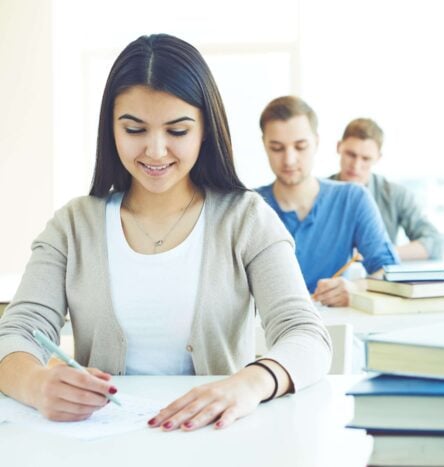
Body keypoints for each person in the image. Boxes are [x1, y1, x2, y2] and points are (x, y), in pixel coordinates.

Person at [0, 34, 330, 431]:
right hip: (104, 446)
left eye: (177, 131)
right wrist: (36, 383)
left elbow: (307, 334)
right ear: (111, 129)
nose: (156, 151)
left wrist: (251, 383)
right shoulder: (73, 225)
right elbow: (15, 333)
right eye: (135, 129)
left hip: (217, 440)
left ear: (206, 130)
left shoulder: (246, 218)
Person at [256, 96, 399, 307]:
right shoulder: (249, 207)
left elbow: (390, 273)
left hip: (333, 328)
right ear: (265, 145)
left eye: (300, 146)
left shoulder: (352, 199)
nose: (289, 159)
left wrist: (356, 288)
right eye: (277, 148)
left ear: (317, 142)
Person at [330, 118, 444, 261]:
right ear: (338, 147)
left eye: (366, 159)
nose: (356, 165)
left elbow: (435, 243)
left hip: (377, 281)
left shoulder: (395, 195)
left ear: (378, 158)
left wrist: (382, 253)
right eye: (351, 155)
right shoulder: (317, 192)